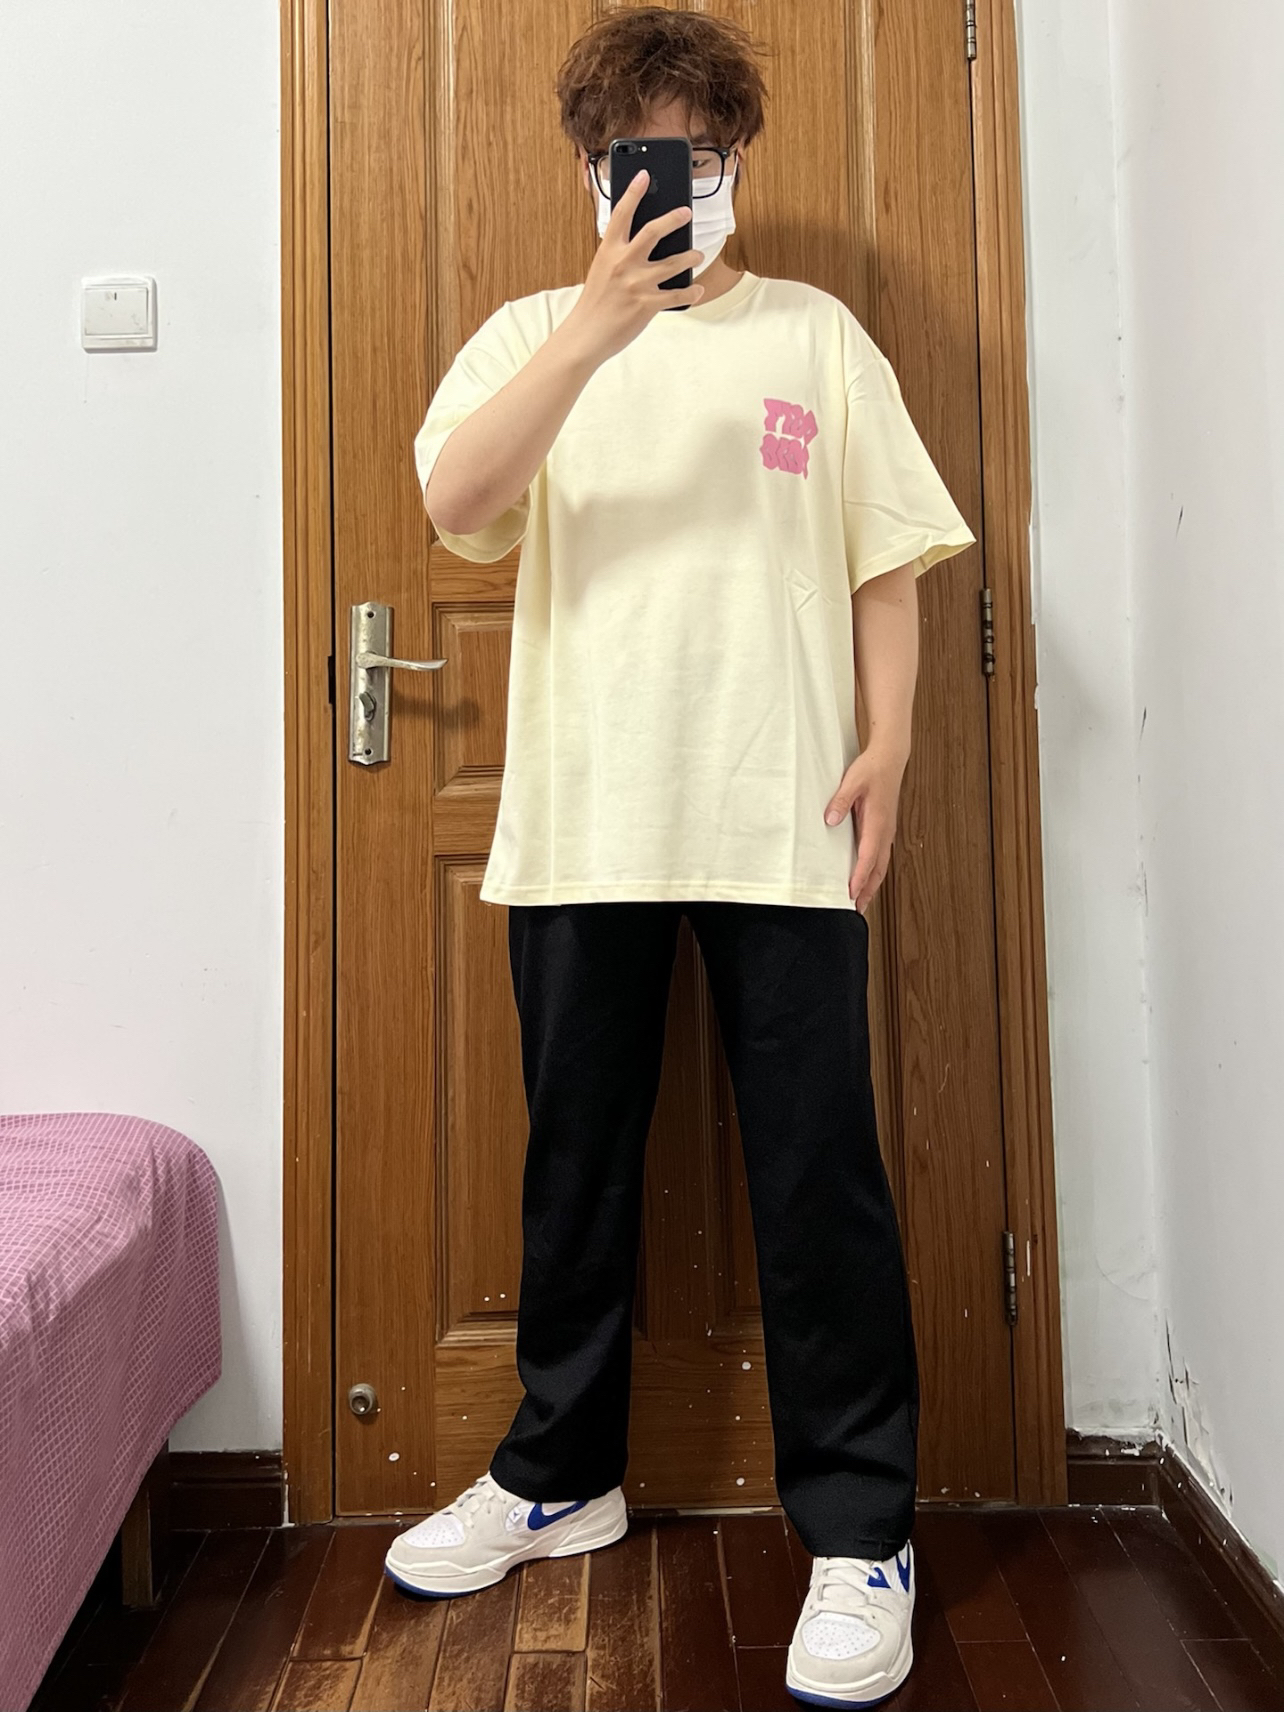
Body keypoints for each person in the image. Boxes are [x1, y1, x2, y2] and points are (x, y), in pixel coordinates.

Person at [384, 9, 975, 1706]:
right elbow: (456, 504)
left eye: (697, 156)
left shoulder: (816, 335)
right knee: (575, 1163)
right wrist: (593, 326)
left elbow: (883, 560)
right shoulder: (531, 335)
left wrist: (893, 744)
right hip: (586, 819)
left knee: (817, 1172)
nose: (668, 183)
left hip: (784, 815)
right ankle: (557, 1478)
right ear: (592, 172)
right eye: (634, 157)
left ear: (737, 164)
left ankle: (861, 1533)